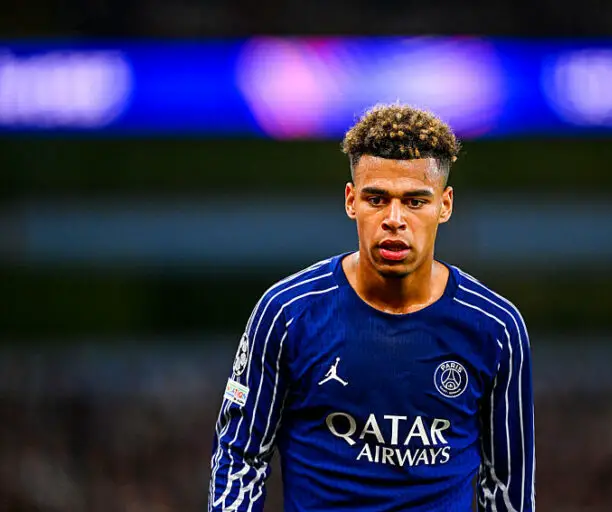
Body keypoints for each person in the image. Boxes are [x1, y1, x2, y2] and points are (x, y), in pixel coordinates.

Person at [208, 103, 535, 511]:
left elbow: (507, 486)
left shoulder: (496, 329)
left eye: (415, 201)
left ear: (445, 205)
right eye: (377, 199)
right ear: (351, 201)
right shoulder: (287, 314)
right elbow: (240, 456)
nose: (394, 219)